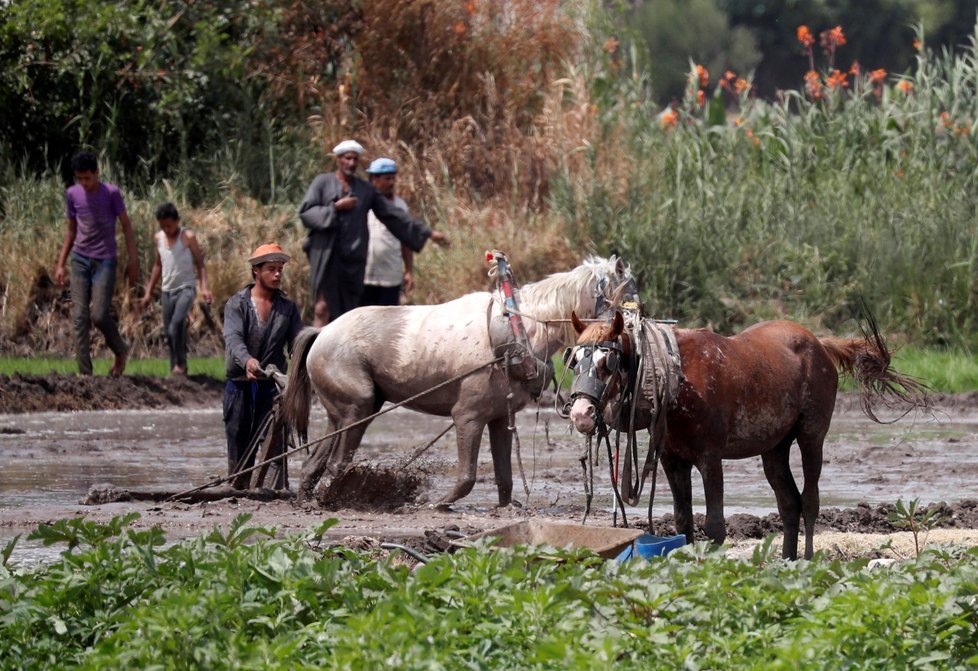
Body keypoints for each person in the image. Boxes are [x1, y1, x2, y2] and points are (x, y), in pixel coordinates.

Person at [298, 139, 450, 326]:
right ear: (338, 159)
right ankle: (314, 353)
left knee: (350, 314)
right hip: (326, 256)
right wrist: (336, 207)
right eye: (347, 158)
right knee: (322, 307)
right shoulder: (322, 183)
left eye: (355, 159)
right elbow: (306, 213)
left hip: (353, 260)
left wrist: (427, 232)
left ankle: (344, 355)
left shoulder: (365, 190)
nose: (351, 163)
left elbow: (394, 215)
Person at [222, 243, 304, 486]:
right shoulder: (237, 304)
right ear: (256, 271)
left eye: (280, 269)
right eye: (271, 269)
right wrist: (247, 360)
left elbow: (296, 345)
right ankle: (237, 488)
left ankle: (273, 491)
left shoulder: (287, 308)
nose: (277, 274)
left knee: (275, 444)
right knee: (239, 441)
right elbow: (233, 339)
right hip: (240, 384)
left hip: (271, 385)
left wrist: (304, 369)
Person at [53, 151, 139, 377]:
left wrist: (133, 258)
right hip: (79, 260)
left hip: (105, 261)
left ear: (96, 173)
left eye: (87, 178)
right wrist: (61, 263)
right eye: (79, 179)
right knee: (79, 317)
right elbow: (71, 230)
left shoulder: (111, 193)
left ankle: (120, 350)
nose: (83, 183)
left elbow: (127, 227)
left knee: (99, 314)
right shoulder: (72, 194)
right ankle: (85, 376)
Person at [139, 202, 214, 376]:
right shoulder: (159, 238)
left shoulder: (187, 236)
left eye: (170, 225)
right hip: (167, 290)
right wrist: (149, 292)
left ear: (177, 221)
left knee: (177, 323)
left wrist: (204, 288)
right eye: (163, 226)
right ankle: (177, 370)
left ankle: (180, 364)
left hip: (186, 288)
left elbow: (200, 263)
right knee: (168, 332)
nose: (167, 229)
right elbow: (158, 265)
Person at [361, 157, 415, 307]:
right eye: (387, 179)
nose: (391, 183)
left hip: (390, 275)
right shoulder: (361, 203)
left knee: (388, 321)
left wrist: (409, 271)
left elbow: (406, 242)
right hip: (363, 275)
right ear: (374, 179)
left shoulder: (400, 206)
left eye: (393, 179)